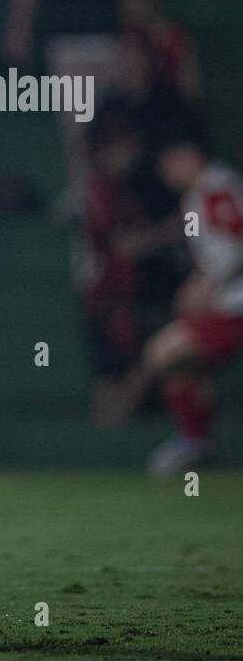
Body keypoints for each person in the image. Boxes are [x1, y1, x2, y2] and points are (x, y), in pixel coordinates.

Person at [106, 126, 243, 476]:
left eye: (170, 163)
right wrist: (199, 280)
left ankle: (194, 440)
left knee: (161, 354)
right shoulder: (199, 195)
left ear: (191, 156)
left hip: (236, 306)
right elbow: (216, 249)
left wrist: (211, 283)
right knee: (187, 369)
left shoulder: (218, 190)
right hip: (225, 303)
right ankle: (197, 441)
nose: (165, 172)